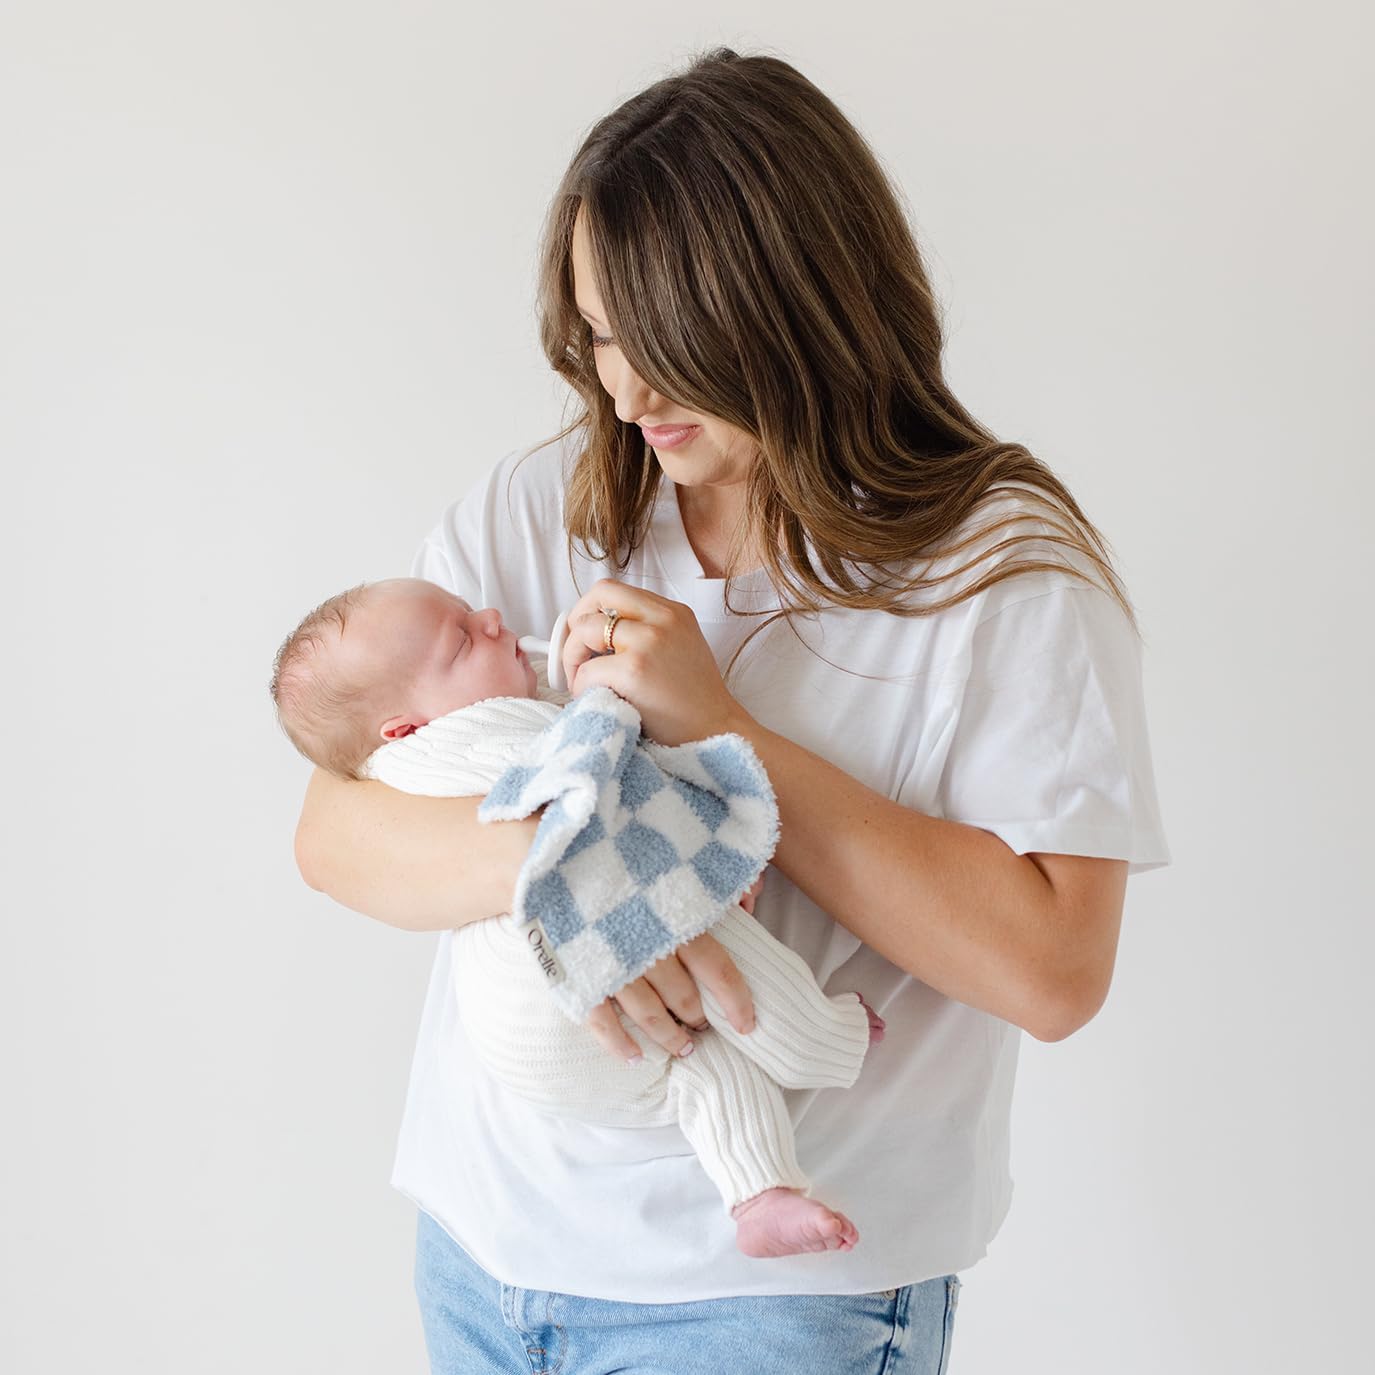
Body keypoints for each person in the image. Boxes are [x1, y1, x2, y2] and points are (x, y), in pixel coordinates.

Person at [293, 48, 1169, 1374]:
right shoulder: (543, 507)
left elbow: (1049, 971)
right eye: (597, 332)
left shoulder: (998, 570)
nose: (628, 389)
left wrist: (729, 741)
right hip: (488, 1251)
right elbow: (336, 823)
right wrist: (579, 872)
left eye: (670, 343)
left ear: (799, 313)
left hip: (776, 1303)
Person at [269, 576, 882, 1258]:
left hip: (524, 1046)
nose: (495, 618)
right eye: (464, 637)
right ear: (406, 727)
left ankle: (760, 1194)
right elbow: (611, 764)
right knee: (722, 955)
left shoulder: (391, 767)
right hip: (550, 979)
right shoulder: (481, 733)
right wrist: (608, 704)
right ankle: (827, 1039)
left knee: (697, 1070)